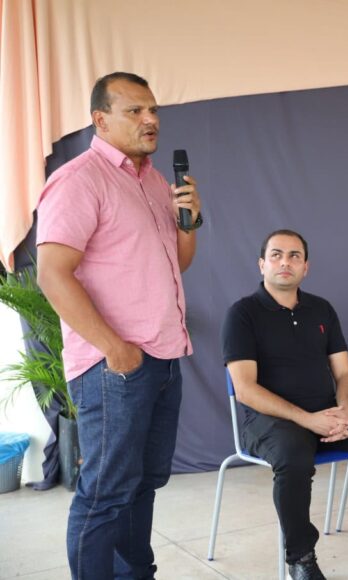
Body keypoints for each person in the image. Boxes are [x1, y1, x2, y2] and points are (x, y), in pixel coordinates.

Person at [36, 72, 202, 579]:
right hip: (116, 367)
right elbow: (51, 273)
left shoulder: (153, 181)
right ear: (100, 120)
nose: (151, 120)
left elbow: (177, 263)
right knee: (106, 493)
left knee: (143, 484)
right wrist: (114, 348)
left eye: (153, 110)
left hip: (163, 356)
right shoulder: (79, 179)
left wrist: (188, 221)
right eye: (135, 111)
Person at [222, 230, 348, 580]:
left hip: (328, 413)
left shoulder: (321, 309)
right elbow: (245, 389)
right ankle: (300, 559)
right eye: (276, 255)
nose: (285, 262)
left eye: (294, 256)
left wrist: (345, 411)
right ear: (262, 264)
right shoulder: (243, 314)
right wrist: (308, 420)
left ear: (306, 267)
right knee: (292, 456)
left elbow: (345, 375)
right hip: (271, 420)